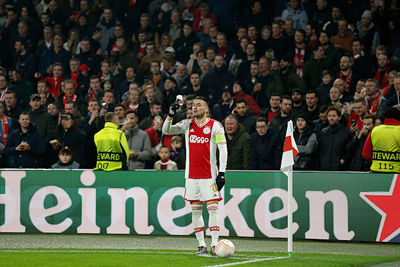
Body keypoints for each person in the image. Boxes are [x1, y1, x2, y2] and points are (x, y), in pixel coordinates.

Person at [162, 96, 227, 255]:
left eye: (198, 105)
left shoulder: (215, 126)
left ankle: (215, 244)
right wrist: (170, 116)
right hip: (191, 176)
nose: (194, 108)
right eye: (192, 106)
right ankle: (201, 244)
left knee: (213, 209)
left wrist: (222, 172)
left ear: (206, 109)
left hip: (209, 175)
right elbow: (166, 130)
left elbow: (223, 149)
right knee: (196, 211)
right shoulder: (187, 124)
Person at [362, 107, 400, 173]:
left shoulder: (375, 130)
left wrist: (377, 161)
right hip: (397, 173)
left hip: (377, 171)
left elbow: (365, 153)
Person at [318, 106, 352, 170]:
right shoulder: (323, 132)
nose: (331, 118)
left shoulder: (346, 132)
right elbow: (320, 151)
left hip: (339, 168)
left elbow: (349, 150)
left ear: (339, 117)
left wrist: (343, 160)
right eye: (329, 116)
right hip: (324, 167)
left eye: (333, 116)